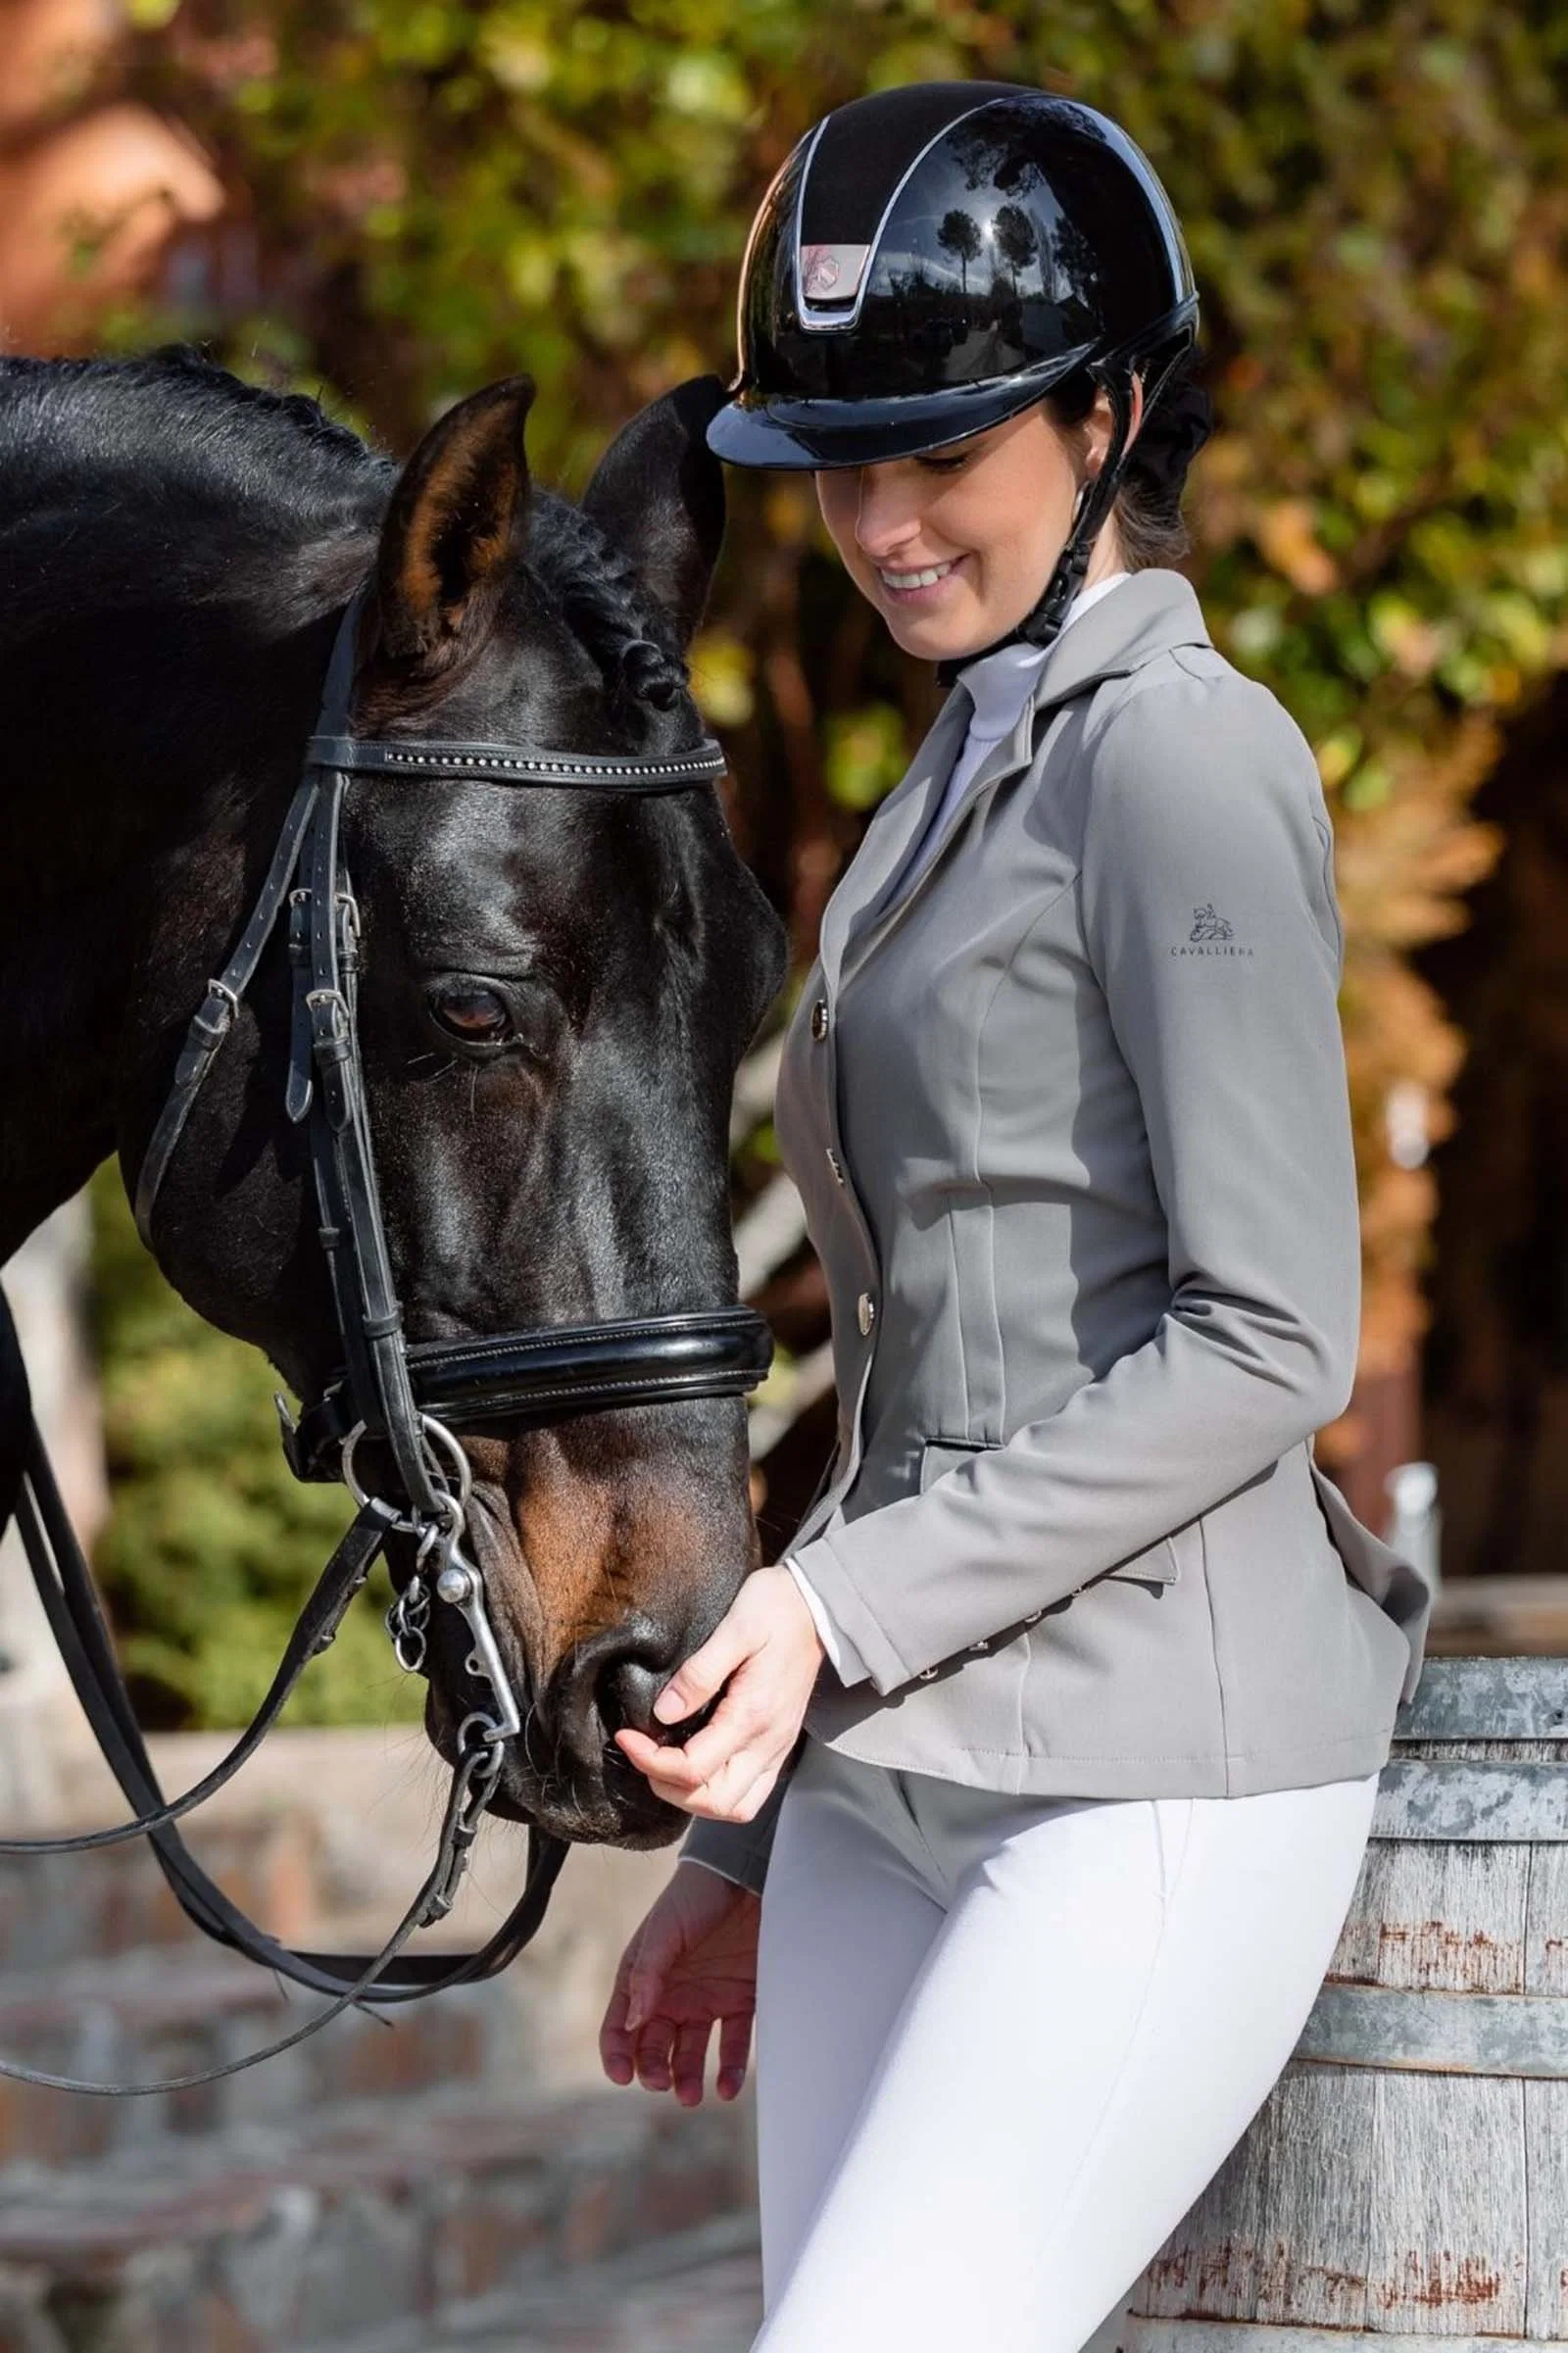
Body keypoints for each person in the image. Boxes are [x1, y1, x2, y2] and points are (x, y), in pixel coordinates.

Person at [598, 81, 1434, 2353]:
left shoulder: (1175, 752)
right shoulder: (952, 765)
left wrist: (827, 1612)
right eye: (841, 468)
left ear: (1107, 411)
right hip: (888, 1776)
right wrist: (745, 1842)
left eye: (936, 454)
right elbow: (911, 1360)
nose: (876, 524)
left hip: (1145, 1773)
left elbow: (1274, 1340)